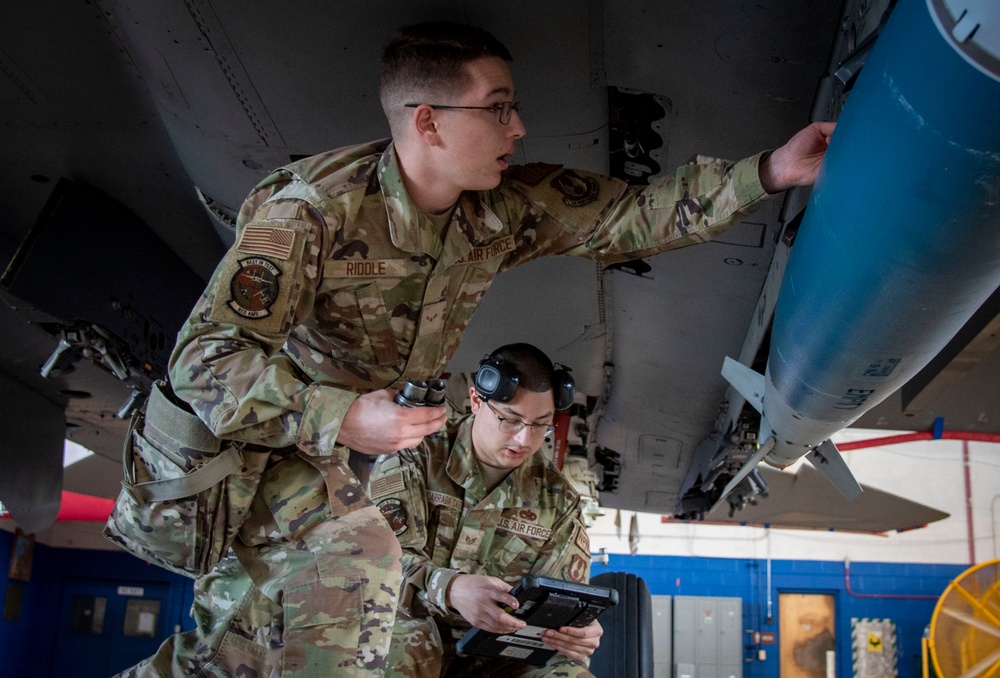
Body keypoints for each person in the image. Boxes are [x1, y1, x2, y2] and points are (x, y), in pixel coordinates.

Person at [120, 18, 834, 678]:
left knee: (292, 648)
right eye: (497, 108)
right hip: (269, 451)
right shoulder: (313, 210)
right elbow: (204, 359)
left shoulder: (497, 211)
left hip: (353, 466)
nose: (518, 127)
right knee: (261, 639)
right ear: (428, 121)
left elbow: (627, 218)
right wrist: (337, 416)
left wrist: (770, 172)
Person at [370, 343, 599, 677]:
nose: (524, 439)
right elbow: (376, 564)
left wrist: (577, 630)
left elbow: (559, 598)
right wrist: (448, 588)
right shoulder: (416, 455)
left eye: (541, 424)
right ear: (477, 400)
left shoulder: (558, 500)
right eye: (511, 420)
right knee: (406, 644)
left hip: (496, 652)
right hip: (409, 632)